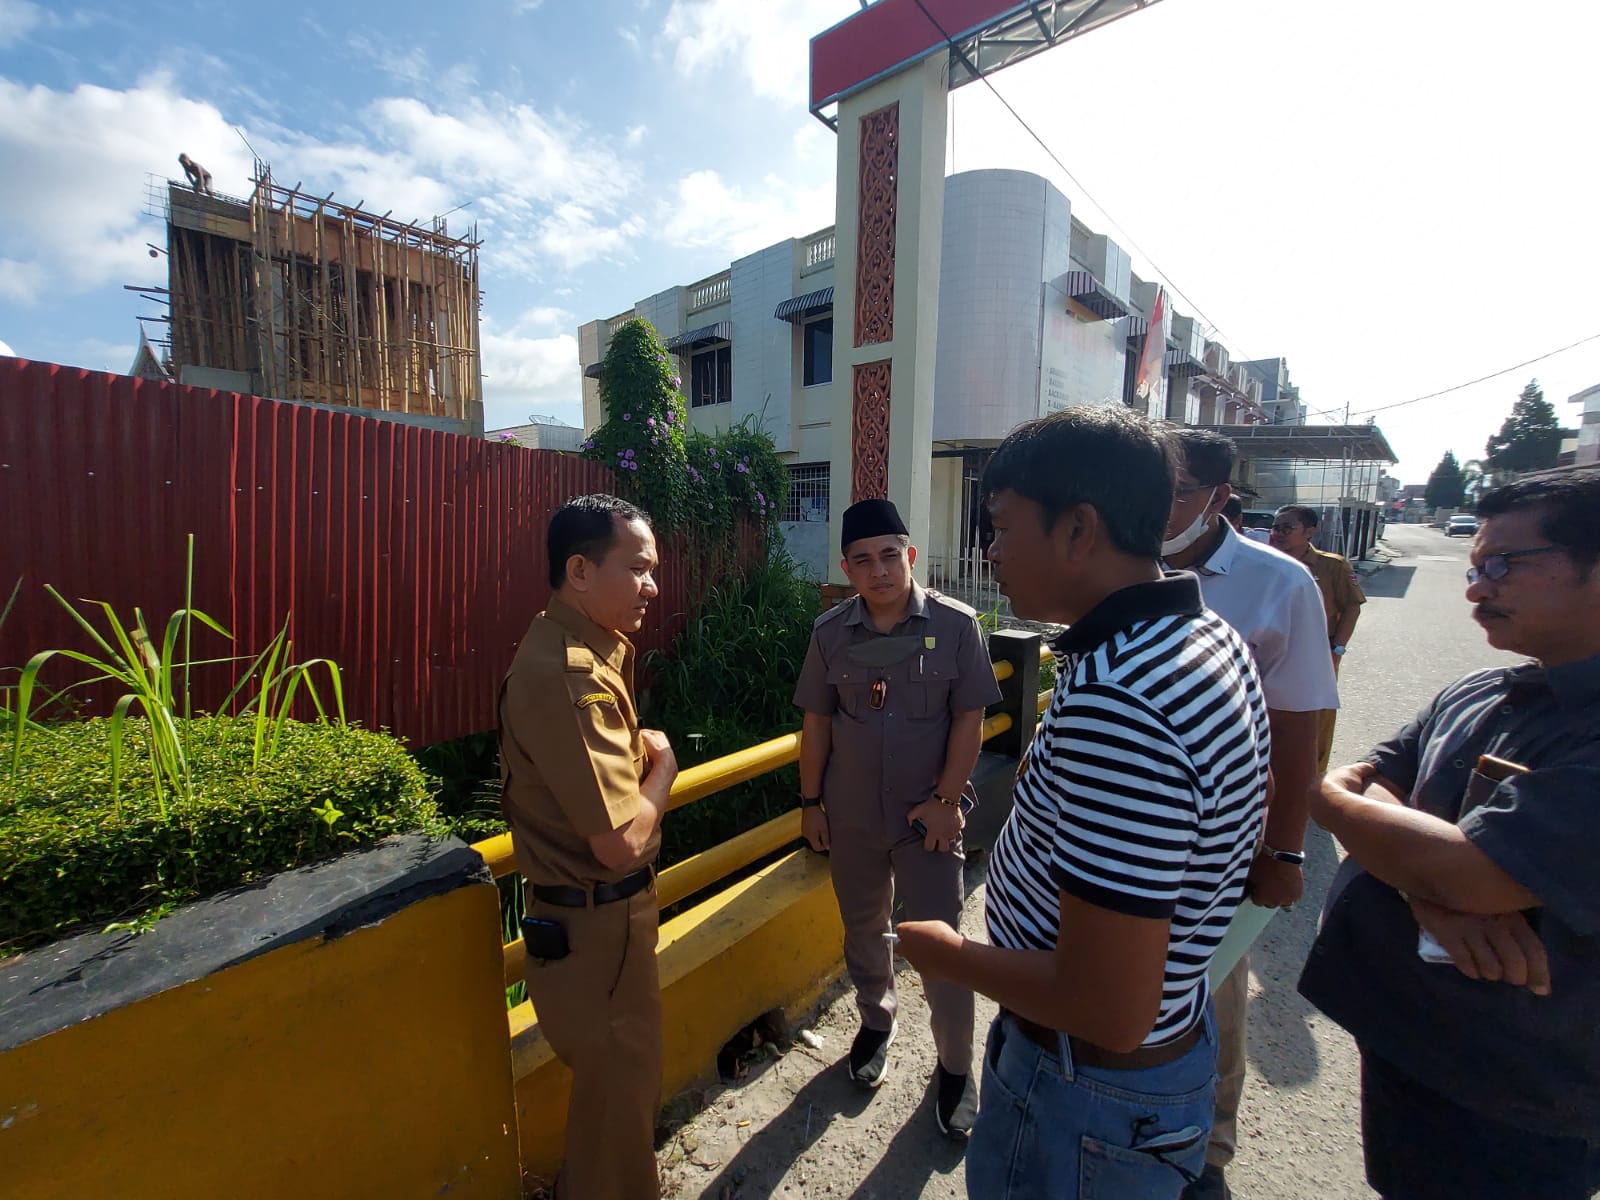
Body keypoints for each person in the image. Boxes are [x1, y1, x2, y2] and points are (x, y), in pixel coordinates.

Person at [895, 407, 1270, 1199]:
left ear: (1077, 529)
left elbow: (1107, 1008)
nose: (991, 551)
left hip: (1086, 1091)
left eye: (1002, 526)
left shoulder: (1122, 701)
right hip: (1159, 1050)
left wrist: (947, 954)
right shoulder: (1205, 637)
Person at [1299, 465, 1600, 1200]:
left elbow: (1468, 872)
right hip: (1411, 1042)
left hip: (1522, 1095)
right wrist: (1427, 889)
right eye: (1474, 568)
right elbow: (1361, 785)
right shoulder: (1481, 691)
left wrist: (1419, 859)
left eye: (1504, 565)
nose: (1476, 589)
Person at [1162, 429, 1340, 1200]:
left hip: (1222, 843)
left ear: (1219, 497)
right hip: (1133, 828)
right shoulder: (1123, 567)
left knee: (1212, 993)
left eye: (1174, 492)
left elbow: (1298, 733)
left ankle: (1210, 1149)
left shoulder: (1279, 583)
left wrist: (1286, 851)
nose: (1156, 509)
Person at [793, 497, 1001, 1139]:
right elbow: (816, 724)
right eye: (863, 561)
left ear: (910, 556)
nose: (878, 570)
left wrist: (947, 802)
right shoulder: (831, 633)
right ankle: (875, 1022)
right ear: (847, 570)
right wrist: (810, 805)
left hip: (926, 822)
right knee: (863, 930)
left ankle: (956, 1066)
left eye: (889, 556)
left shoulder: (956, 626)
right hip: (851, 819)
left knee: (942, 946)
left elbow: (969, 719)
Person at [498, 494, 676, 1199]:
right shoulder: (567, 672)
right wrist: (664, 772)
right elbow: (620, 841)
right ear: (579, 570)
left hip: (597, 927)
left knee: (616, 1109)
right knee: (617, 1114)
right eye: (637, 568)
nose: (651, 586)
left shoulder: (583, 654)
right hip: (599, 929)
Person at [1269, 503, 1366, 774]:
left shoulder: (1332, 566)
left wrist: (1337, 649)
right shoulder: (1266, 562)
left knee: (1315, 718)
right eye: (1276, 527)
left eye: (1287, 527)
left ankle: (1313, 778)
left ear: (1309, 532)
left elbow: (1352, 607)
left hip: (1317, 653)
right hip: (1274, 651)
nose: (1278, 533)